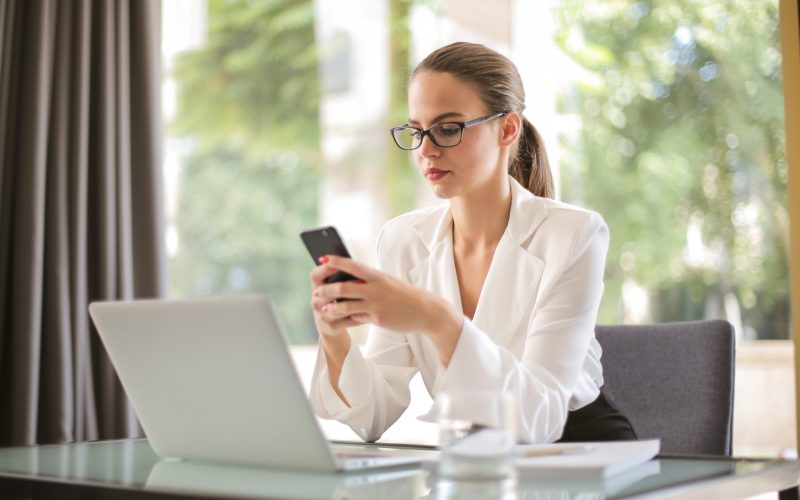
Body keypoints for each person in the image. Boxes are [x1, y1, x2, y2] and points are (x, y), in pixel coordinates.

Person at [308, 42, 636, 444]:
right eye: (417, 131)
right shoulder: (403, 240)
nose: (426, 150)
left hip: (580, 453)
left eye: (448, 128)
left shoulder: (574, 234)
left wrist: (437, 319)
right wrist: (334, 335)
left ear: (508, 129)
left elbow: (541, 418)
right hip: (476, 460)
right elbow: (373, 416)